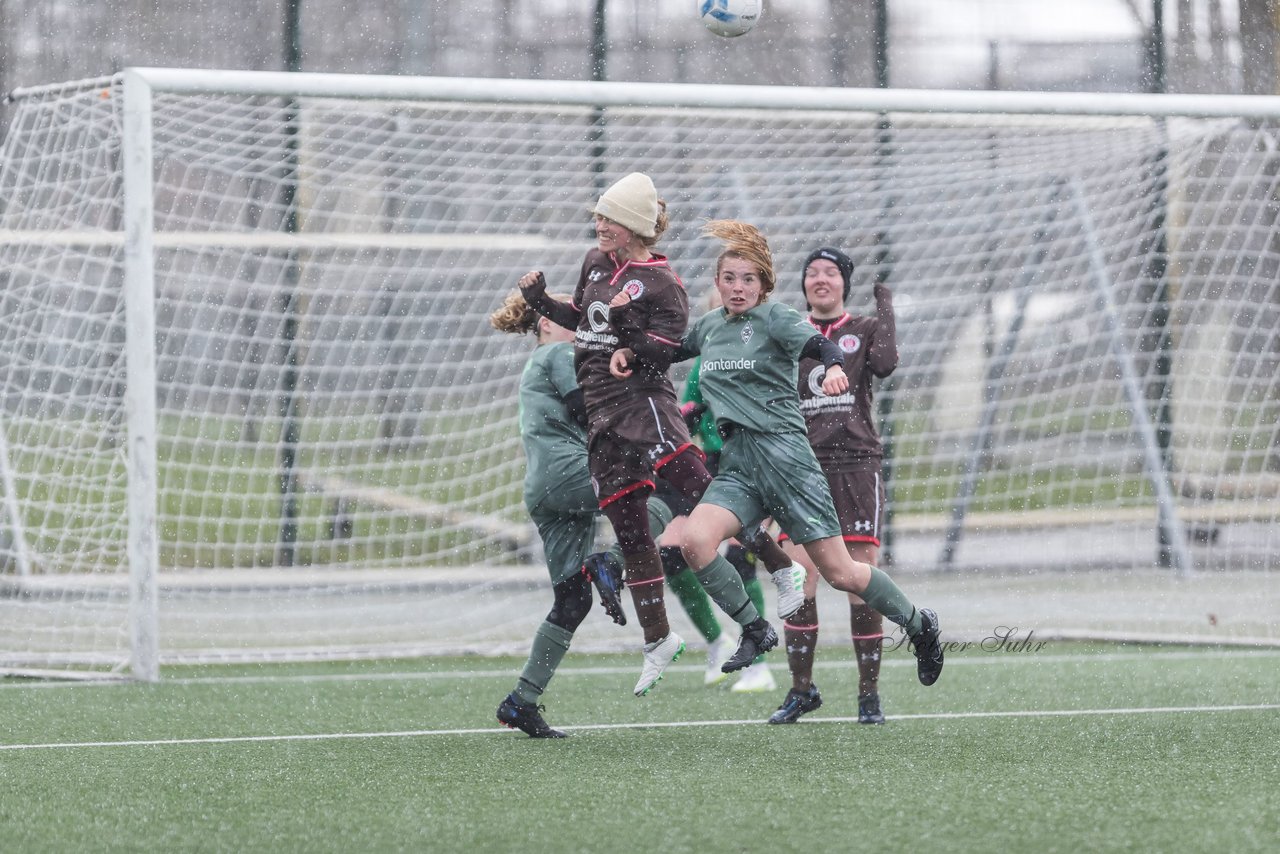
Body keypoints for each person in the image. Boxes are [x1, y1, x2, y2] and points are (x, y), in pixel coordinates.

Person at [612, 219, 944, 705]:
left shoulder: (777, 319)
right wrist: (625, 339)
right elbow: (658, 353)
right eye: (730, 278)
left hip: (788, 462)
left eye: (749, 279)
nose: (738, 287)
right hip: (741, 466)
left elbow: (822, 345)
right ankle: (754, 629)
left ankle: (919, 624)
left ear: (764, 284)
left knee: (843, 574)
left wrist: (832, 367)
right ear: (718, 283)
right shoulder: (708, 328)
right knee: (695, 542)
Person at [519, 173, 805, 696]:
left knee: (704, 495)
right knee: (630, 532)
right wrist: (541, 301)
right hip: (603, 416)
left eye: (608, 218)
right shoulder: (593, 263)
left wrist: (630, 337)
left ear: (630, 227)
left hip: (643, 407)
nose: (599, 225)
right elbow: (584, 320)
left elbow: (663, 349)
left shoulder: (663, 284)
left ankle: (781, 567)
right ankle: (657, 639)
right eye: (599, 216)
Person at [489, 289, 675, 737]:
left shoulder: (546, 359)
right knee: (661, 497)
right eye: (569, 316)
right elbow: (588, 409)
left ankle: (521, 701)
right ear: (546, 324)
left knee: (572, 600)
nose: (580, 323)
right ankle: (609, 564)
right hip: (568, 473)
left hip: (545, 490)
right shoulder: (556, 352)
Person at [771, 247, 897, 725]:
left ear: (844, 282)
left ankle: (869, 696)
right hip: (802, 467)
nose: (820, 280)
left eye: (830, 273)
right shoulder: (791, 334)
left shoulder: (862, 330)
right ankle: (801, 690)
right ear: (802, 285)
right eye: (811, 273)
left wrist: (885, 305)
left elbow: (885, 364)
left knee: (860, 581)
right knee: (798, 580)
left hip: (856, 466)